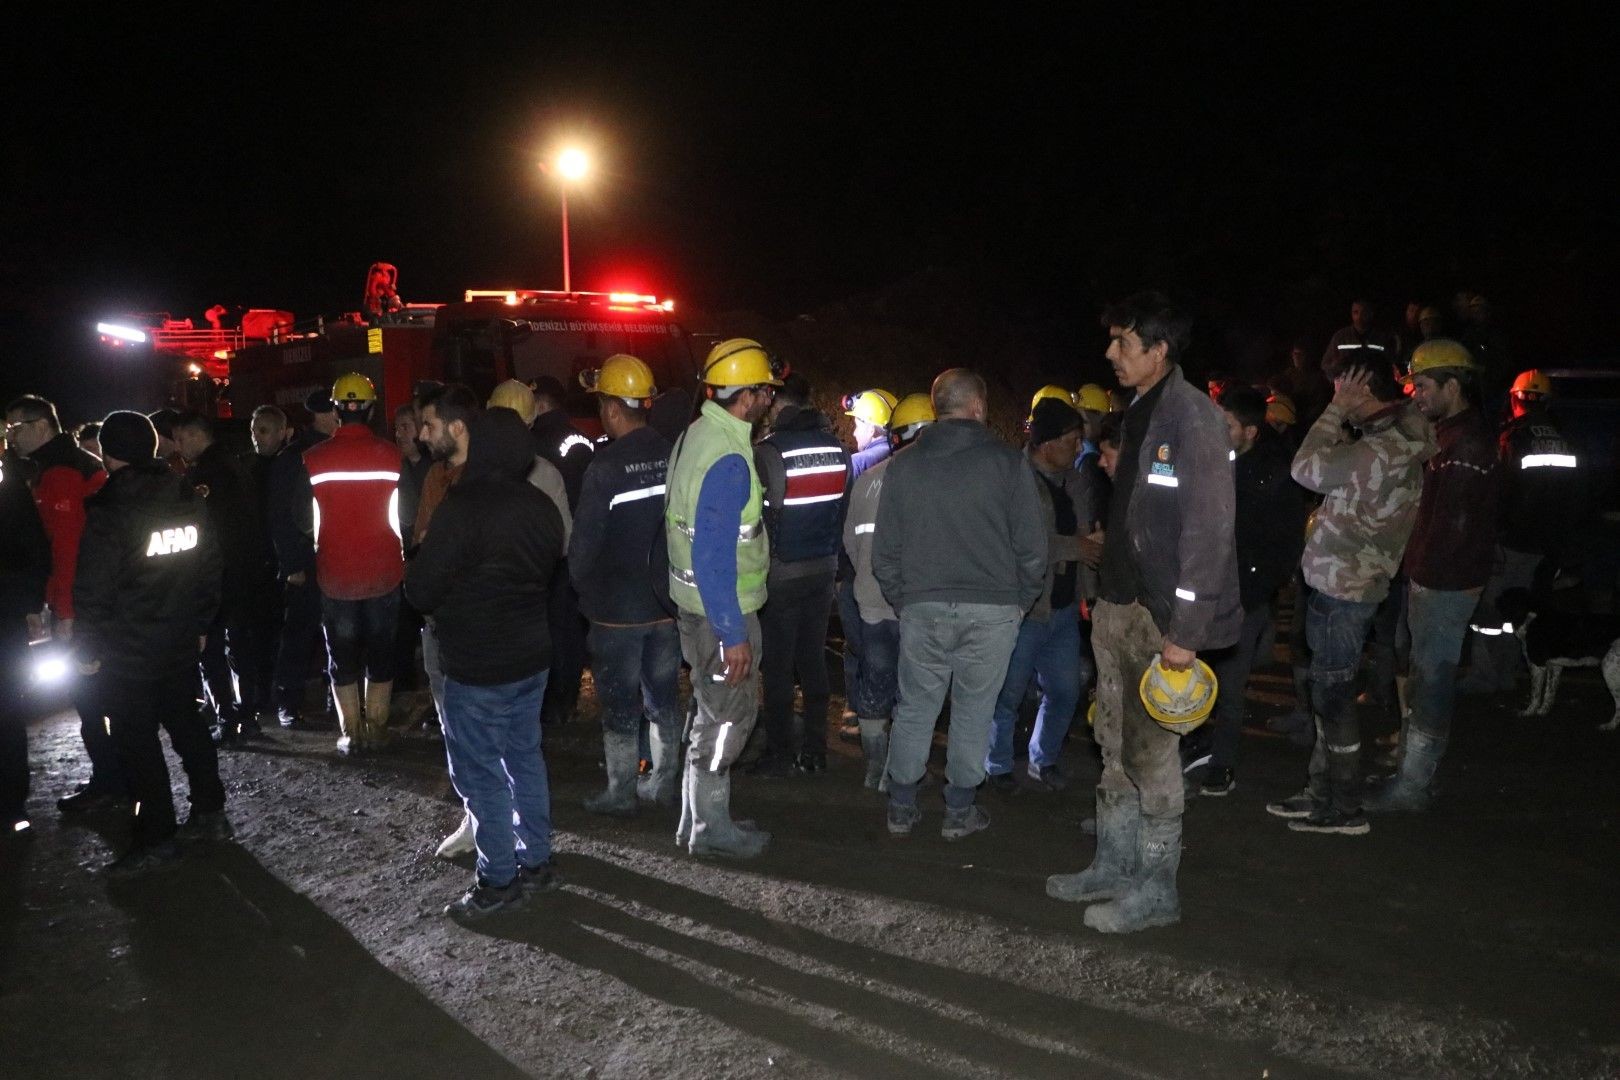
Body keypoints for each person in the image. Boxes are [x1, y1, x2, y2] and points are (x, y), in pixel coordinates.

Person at [1044, 293, 1239, 935]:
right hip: (1118, 607)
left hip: (1160, 621)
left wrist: (1186, 635)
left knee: (1154, 756)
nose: (1110, 354)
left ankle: (1157, 890)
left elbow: (1209, 535)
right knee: (1114, 743)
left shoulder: (1194, 418)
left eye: (1123, 343)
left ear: (1159, 351)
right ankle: (1113, 863)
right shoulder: (1139, 414)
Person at [874, 368, 1046, 841]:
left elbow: (884, 551)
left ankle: (902, 808)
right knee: (974, 709)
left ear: (936, 408)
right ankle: (959, 811)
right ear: (978, 407)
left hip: (923, 607)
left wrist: (904, 600)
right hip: (992, 612)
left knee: (914, 707)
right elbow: (1033, 548)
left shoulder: (904, 465)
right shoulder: (1008, 463)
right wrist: (1020, 603)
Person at [407, 408, 566, 919]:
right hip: (531, 657)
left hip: (477, 664)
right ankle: (536, 861)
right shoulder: (541, 506)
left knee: (482, 774)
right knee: (524, 757)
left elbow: (422, 589)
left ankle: (497, 881)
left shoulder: (462, 508)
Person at [1267, 349, 1434, 834]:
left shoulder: (1381, 448)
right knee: (1327, 694)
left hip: (1347, 589)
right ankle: (1321, 793)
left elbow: (1305, 469)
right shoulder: (1391, 435)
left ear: (1363, 387)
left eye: (1344, 386)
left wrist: (1334, 412)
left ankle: (1343, 808)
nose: (1336, 393)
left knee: (1335, 698)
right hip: (1340, 581)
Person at [72, 412, 228, 874]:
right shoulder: (186, 494)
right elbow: (210, 566)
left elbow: (94, 589)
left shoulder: (111, 510)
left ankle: (157, 836)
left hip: (128, 650)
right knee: (189, 727)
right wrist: (200, 622)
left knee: (138, 745)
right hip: (178, 639)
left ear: (107, 452)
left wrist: (87, 648)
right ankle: (210, 813)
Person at [1367, 340, 1500, 813]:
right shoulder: (1448, 435)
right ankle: (1412, 770)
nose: (1416, 395)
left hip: (1444, 583)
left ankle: (1414, 788)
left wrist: (1421, 576)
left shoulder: (1466, 445)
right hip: (1429, 577)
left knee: (1433, 679)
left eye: (1423, 386)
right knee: (1422, 673)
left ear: (1453, 384)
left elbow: (1453, 529)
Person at [666, 338, 782, 858]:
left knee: (710, 711)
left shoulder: (698, 434)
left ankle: (698, 817)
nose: (768, 400)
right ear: (747, 396)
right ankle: (710, 829)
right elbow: (713, 555)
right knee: (731, 717)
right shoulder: (731, 458)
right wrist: (733, 634)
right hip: (722, 613)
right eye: (764, 391)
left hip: (696, 609)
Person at [570, 355, 680, 815]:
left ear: (614, 409)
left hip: (617, 613)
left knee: (619, 703)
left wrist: (586, 598)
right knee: (664, 697)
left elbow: (582, 550)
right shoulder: (673, 454)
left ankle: (620, 793)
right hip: (667, 605)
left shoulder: (605, 468)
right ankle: (663, 782)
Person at [4, 395, 119, 813]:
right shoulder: (68, 464)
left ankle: (112, 781)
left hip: (83, 604)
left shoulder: (60, 474)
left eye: (15, 429)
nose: (10, 438)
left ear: (40, 426)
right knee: (99, 697)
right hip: (97, 599)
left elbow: (68, 550)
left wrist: (66, 612)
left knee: (91, 699)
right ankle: (115, 778)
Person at [985, 396, 1097, 793]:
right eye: (1072, 439)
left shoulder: (1077, 481)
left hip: (1064, 607)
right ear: (1048, 443)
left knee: (1066, 690)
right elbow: (1014, 543)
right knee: (1007, 694)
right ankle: (996, 765)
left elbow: (1083, 537)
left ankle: (1043, 759)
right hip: (1025, 610)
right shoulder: (1014, 481)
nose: (1080, 447)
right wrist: (1077, 547)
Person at [1200, 385, 1307, 796]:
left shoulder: (1274, 475)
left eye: (1226, 424)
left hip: (1244, 599)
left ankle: (1222, 764)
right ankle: (1196, 747)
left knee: (1231, 684)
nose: (1217, 429)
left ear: (1250, 431)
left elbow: (1284, 540)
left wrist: (1260, 588)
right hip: (1205, 593)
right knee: (1194, 677)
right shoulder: (1211, 461)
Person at [750, 373, 852, 778]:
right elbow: (841, 513)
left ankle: (779, 752)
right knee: (812, 660)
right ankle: (814, 748)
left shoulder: (769, 452)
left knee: (777, 668)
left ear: (777, 410)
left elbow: (759, 519)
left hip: (781, 575)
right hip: (823, 571)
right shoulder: (839, 450)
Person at [1460, 369, 1586, 694]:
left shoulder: (1513, 436)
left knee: (1491, 610)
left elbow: (1499, 491)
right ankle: (1508, 674)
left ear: (1516, 399)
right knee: (1521, 612)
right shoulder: (1566, 438)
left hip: (1512, 541)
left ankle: (1485, 678)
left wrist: (1491, 532)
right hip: (1547, 545)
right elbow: (1576, 496)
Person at [302, 373, 404, 755]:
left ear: (336, 409)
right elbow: (404, 518)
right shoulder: (392, 456)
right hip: (385, 572)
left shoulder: (312, 460)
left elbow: (303, 521)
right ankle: (377, 728)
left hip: (335, 575)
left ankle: (351, 732)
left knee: (342, 654)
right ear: (371, 410)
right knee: (381, 651)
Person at [842, 392, 934, 790]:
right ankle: (902, 770)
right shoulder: (938, 484)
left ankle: (874, 767)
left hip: (873, 605)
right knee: (915, 691)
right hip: (920, 608)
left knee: (874, 685)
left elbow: (850, 541)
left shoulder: (867, 479)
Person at [174, 411, 272, 741]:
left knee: (211, 650)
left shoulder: (203, 475)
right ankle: (249, 716)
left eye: (182, 438)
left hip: (214, 575)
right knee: (242, 647)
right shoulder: (237, 466)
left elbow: (198, 529)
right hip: (244, 572)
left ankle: (227, 719)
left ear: (197, 436)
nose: (179, 445)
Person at [528, 376, 592, 727]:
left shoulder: (534, 443)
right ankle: (566, 700)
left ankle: (552, 702)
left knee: (551, 629)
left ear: (541, 404)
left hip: (545, 550)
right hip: (576, 544)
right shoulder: (580, 438)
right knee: (569, 629)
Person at [259, 401, 324, 728]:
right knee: (300, 633)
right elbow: (281, 516)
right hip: (305, 558)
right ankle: (288, 701)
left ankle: (330, 698)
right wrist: (291, 564)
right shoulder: (295, 456)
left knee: (335, 634)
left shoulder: (328, 449)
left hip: (330, 555)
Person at [1, 450, 50, 835]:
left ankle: (10, 804)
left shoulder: (10, 493)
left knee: (6, 712)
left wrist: (31, 605)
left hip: (4, 618)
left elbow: (31, 550)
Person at [1321, 299, 1400, 372]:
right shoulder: (1340, 337)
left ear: (1371, 314)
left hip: (1374, 385)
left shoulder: (1381, 337)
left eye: (1364, 313)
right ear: (1351, 313)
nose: (1359, 316)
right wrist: (1338, 370)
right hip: (1347, 385)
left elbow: (1390, 364)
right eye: (1356, 312)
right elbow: (1326, 365)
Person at [845, 388, 898, 478]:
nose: (854, 433)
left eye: (857, 426)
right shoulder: (902, 452)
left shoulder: (857, 463)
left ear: (871, 430)